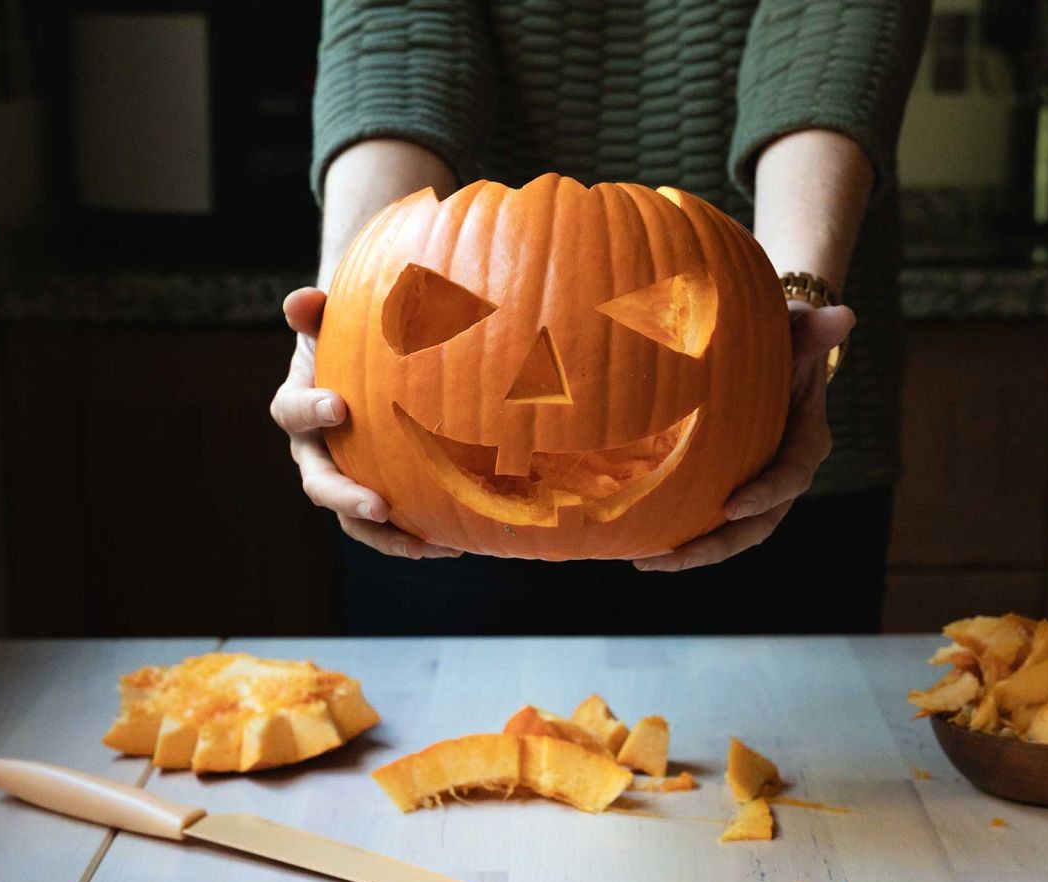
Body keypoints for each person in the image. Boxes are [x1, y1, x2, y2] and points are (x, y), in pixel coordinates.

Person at [271, 0, 931, 635]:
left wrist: (791, 317)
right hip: (451, 342)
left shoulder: (763, 358)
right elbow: (399, 39)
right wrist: (349, 323)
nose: (548, 389)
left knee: (795, 739)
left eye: (649, 322)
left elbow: (832, 27)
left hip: (760, 382)